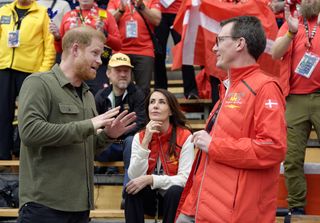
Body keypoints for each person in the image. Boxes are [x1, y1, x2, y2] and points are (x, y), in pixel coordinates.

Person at [17, 26, 136, 223]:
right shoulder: (38, 83)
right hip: (44, 207)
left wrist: (108, 135)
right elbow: (30, 132)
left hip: (80, 208)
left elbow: (86, 144)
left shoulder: (88, 95)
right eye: (95, 53)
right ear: (75, 49)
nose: (100, 61)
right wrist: (89, 124)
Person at [176, 16, 286, 223]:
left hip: (232, 213)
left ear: (240, 43)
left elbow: (273, 147)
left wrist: (214, 145)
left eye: (219, 40)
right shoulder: (228, 88)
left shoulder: (265, 87)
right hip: (199, 207)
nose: (214, 49)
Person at [271, 0, 320, 215]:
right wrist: (290, 33)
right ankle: (297, 207)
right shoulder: (293, 22)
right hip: (295, 99)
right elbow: (274, 53)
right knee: (291, 159)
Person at [124, 89, 194, 223]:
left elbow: (186, 179)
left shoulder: (185, 137)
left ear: (171, 111)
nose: (155, 106)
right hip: (149, 199)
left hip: (174, 200)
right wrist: (145, 142)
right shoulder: (140, 136)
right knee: (131, 190)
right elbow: (134, 176)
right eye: (152, 102)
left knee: (175, 191)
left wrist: (152, 179)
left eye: (161, 102)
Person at [0, 0, 56, 161]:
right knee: (2, 113)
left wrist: (42, 72)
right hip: (3, 69)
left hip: (30, 72)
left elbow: (49, 44)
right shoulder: (3, 11)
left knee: (29, 115)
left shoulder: (42, 13)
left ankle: (26, 155)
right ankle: (2, 155)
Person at [49, 0, 122, 95]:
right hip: (72, 68)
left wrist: (105, 34)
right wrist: (58, 38)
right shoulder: (68, 15)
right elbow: (61, 49)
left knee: (96, 99)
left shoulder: (105, 15)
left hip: (96, 68)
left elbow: (118, 45)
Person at [95, 52, 146, 184]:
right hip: (106, 146)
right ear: (108, 74)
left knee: (131, 141)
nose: (123, 74)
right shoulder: (100, 96)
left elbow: (140, 122)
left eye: (126, 71)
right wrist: (107, 134)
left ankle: (128, 191)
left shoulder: (138, 94)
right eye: (118, 71)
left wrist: (117, 132)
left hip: (127, 146)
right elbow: (94, 121)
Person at [108, 0, 161, 96]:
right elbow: (108, 22)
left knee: (144, 89)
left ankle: (141, 111)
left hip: (144, 50)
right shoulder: (114, 1)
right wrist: (120, 11)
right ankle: (121, 111)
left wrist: (142, 7)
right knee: (120, 87)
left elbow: (157, 20)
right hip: (120, 50)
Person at [153, 0, 199, 99]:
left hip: (180, 10)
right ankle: (160, 90)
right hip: (157, 10)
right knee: (158, 52)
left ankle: (191, 90)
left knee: (184, 51)